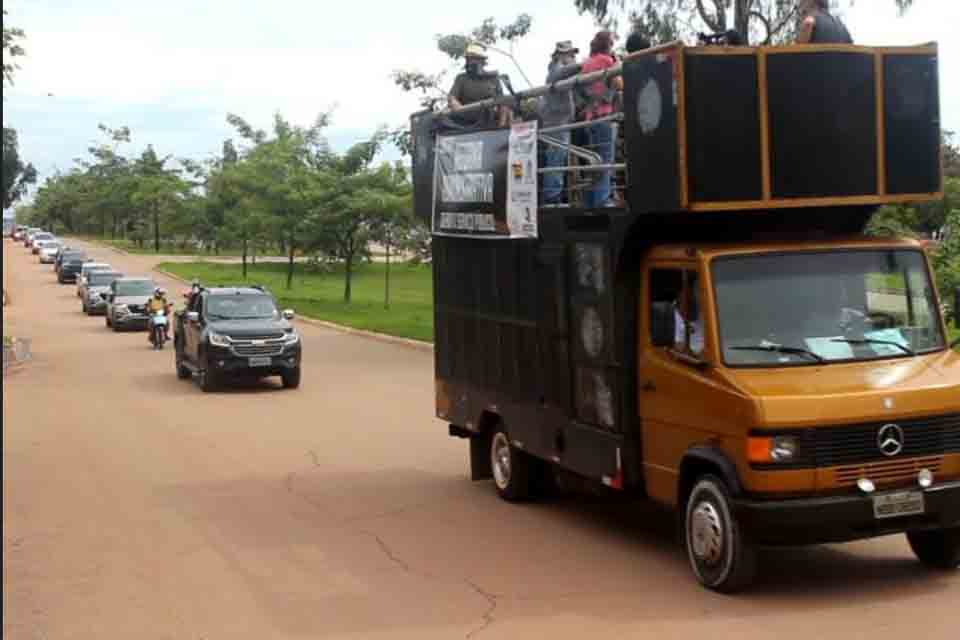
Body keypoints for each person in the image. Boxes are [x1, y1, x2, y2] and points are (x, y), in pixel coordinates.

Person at [580, 31, 623, 208]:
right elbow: (619, 84)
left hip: (590, 117)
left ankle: (591, 201)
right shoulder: (607, 61)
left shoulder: (586, 64)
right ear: (608, 45)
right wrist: (618, 61)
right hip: (604, 115)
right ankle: (603, 200)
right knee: (605, 161)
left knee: (593, 162)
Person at [540, 41, 583, 206]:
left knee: (558, 159)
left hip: (561, 123)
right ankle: (552, 199)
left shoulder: (560, 72)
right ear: (560, 55)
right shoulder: (555, 70)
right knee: (555, 160)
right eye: (570, 54)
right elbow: (563, 72)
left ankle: (554, 197)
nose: (573, 58)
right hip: (556, 124)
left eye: (573, 55)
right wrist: (585, 64)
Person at [448, 44, 510, 128]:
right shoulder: (461, 78)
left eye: (474, 59)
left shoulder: (493, 79)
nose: (471, 62)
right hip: (464, 122)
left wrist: (501, 127)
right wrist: (458, 107)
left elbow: (502, 104)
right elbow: (452, 97)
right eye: (469, 59)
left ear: (482, 61)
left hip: (487, 122)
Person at [674, 280, 705, 356]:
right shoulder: (669, 315)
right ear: (679, 295)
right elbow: (676, 345)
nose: (693, 297)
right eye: (688, 295)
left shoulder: (706, 314)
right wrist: (695, 354)